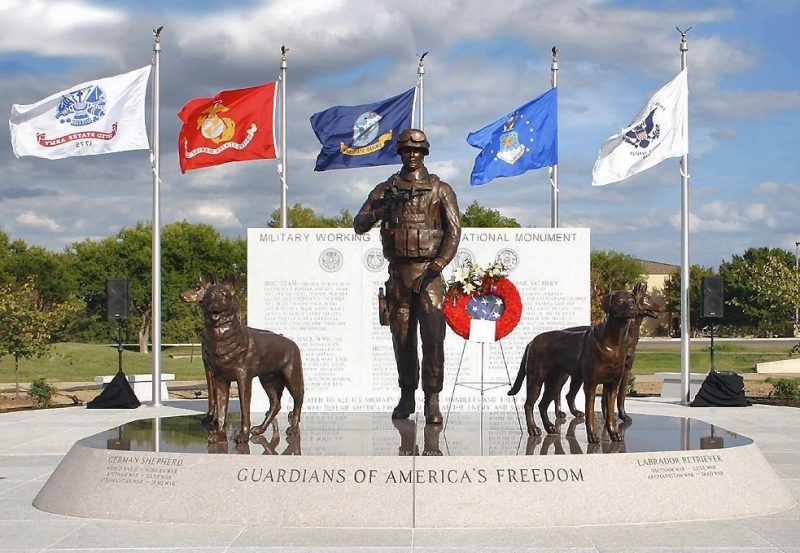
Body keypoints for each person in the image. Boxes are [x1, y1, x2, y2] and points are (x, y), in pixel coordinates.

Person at [354, 129, 461, 424]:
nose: (412, 156)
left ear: (424, 153)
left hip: (429, 276)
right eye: (406, 151)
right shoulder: (385, 190)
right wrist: (381, 209)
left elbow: (454, 231)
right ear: (400, 154)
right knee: (402, 340)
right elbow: (359, 224)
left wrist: (440, 261)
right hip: (398, 275)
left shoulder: (440, 189)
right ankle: (406, 395)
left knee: (433, 339)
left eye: (417, 151)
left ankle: (433, 399)